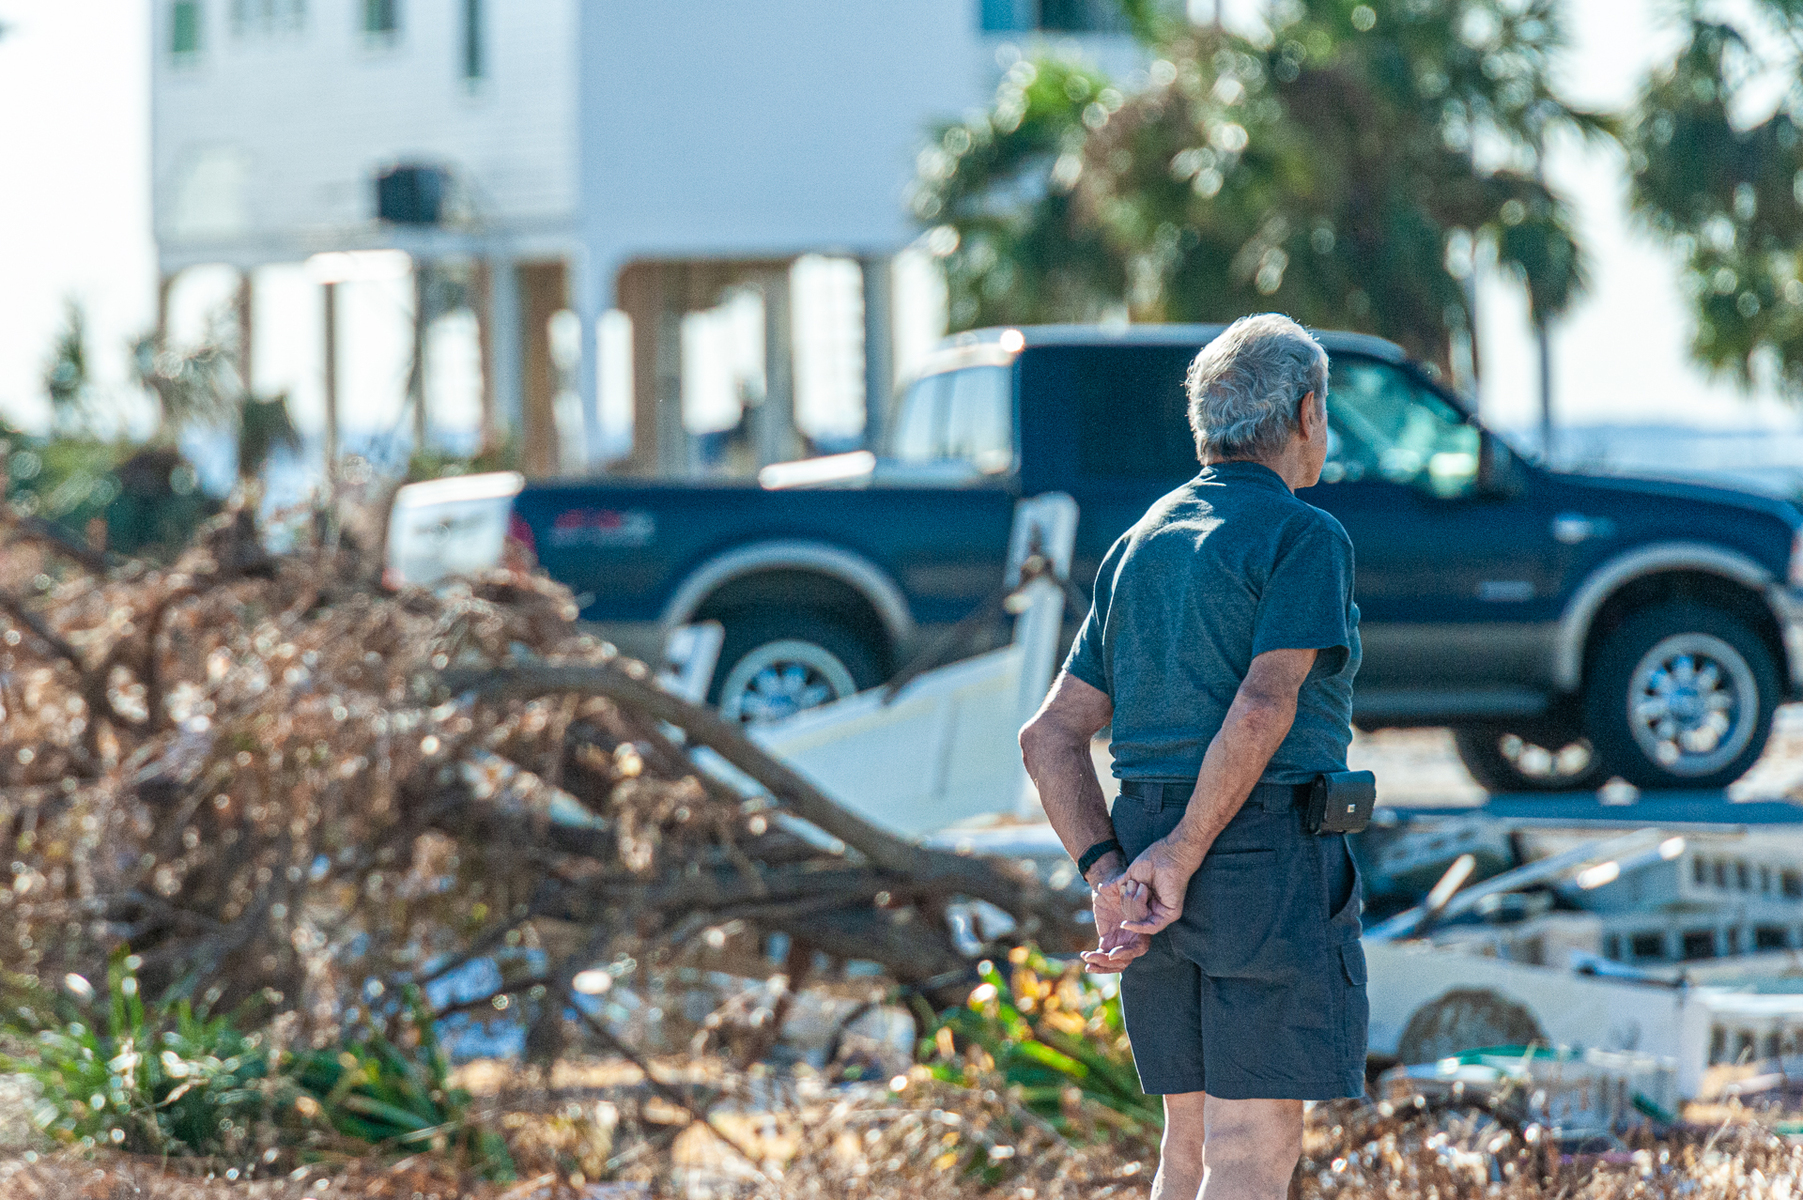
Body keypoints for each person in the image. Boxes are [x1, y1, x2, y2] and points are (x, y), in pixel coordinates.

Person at [1019, 313, 1365, 1200]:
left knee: (1188, 1150)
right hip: (1260, 852)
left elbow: (1049, 735)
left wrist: (1114, 872)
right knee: (1250, 1153)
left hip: (1144, 853)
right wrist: (1182, 854)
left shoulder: (1141, 542)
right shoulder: (1302, 535)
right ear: (1306, 413)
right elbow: (1263, 704)